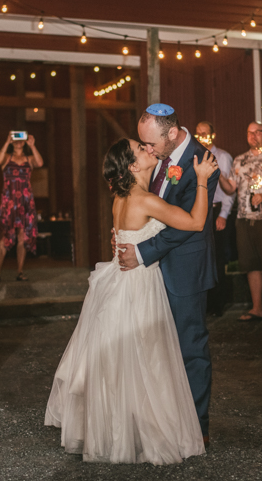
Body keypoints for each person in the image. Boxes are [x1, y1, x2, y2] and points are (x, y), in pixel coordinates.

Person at [45, 137, 216, 464]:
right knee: (145, 358)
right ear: (133, 166)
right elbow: (194, 222)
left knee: (124, 362)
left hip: (119, 283)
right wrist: (204, 181)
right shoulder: (144, 200)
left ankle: (120, 429)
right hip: (139, 285)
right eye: (141, 149)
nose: (148, 149)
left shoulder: (120, 199)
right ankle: (145, 430)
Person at [116, 104, 220, 446]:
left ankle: (195, 427)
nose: (147, 150)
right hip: (152, 274)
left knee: (190, 347)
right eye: (143, 145)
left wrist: (144, 251)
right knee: (156, 350)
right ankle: (159, 420)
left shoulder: (202, 162)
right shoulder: (156, 152)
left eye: (151, 144)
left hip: (185, 270)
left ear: (171, 133)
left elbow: (191, 224)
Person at [218, 122, 262, 323]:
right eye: (249, 132)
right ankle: (257, 308)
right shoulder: (240, 160)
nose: (253, 136)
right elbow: (230, 188)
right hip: (244, 219)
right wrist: (218, 175)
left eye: (257, 132)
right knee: (251, 265)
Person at [0, 133, 44, 282]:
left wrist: (32, 145)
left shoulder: (29, 159)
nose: (19, 142)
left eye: (21, 139)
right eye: (16, 138)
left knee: (22, 237)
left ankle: (20, 271)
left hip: (25, 202)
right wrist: (7, 141)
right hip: (9, 201)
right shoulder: (7, 157)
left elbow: (40, 163)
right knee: (4, 235)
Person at [195, 121, 235, 316]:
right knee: (201, 257)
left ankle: (218, 303)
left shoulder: (223, 157)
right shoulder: (194, 157)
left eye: (205, 133)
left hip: (216, 210)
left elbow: (229, 191)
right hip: (199, 212)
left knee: (217, 258)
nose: (202, 136)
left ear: (213, 135)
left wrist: (223, 215)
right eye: (198, 133)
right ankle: (204, 302)